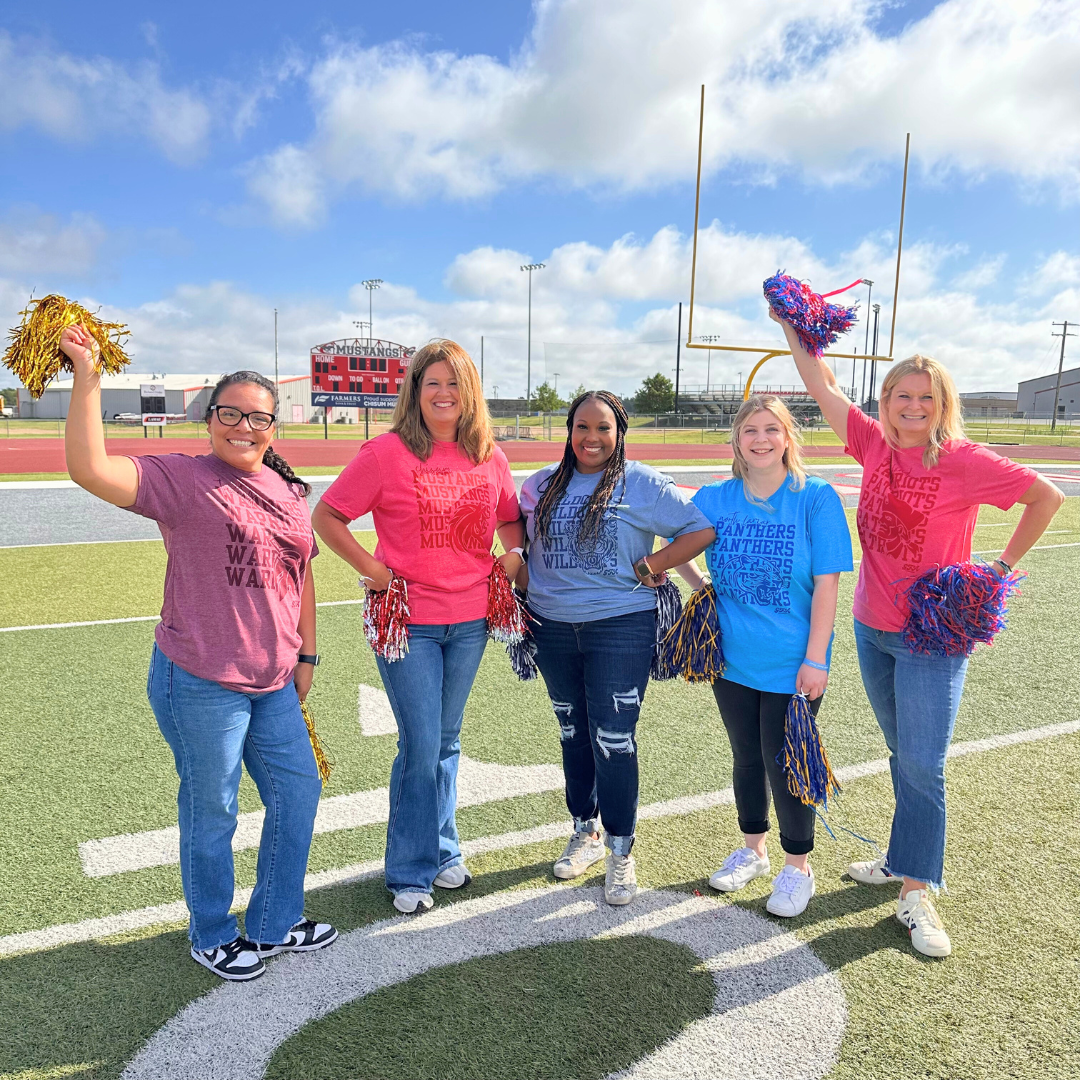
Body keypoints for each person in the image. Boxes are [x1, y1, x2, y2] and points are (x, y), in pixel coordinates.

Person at [771, 307, 1065, 955]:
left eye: (925, 398)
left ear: (942, 406)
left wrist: (998, 569)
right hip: (871, 627)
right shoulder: (872, 442)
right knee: (902, 752)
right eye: (902, 396)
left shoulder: (963, 460)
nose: (912, 406)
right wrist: (794, 331)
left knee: (924, 764)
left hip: (933, 635)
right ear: (887, 401)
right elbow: (821, 386)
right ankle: (901, 859)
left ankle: (916, 891)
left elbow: (1048, 496)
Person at [61, 324, 337, 982]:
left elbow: (301, 576)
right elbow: (89, 469)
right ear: (210, 419)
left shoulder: (292, 493)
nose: (243, 427)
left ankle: (274, 920)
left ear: (275, 426)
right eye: (230, 414)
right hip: (201, 681)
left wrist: (306, 657)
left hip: (272, 683)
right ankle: (212, 931)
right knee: (212, 807)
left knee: (297, 794)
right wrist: (89, 377)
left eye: (258, 417)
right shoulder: (183, 480)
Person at [311, 340, 523, 915]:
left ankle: (444, 847)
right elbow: (327, 515)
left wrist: (512, 557)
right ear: (414, 391)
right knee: (421, 740)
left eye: (454, 384)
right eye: (432, 383)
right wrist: (372, 569)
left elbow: (510, 520)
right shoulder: (386, 453)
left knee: (446, 740)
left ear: (469, 392)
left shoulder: (490, 456)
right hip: (408, 623)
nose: (444, 394)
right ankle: (409, 869)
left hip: (473, 619)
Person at [517, 391, 714, 905]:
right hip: (551, 626)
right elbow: (516, 537)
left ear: (619, 432)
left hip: (621, 625)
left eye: (603, 428)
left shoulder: (642, 482)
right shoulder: (538, 485)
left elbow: (699, 529)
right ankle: (585, 829)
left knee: (614, 737)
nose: (591, 438)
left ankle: (621, 849)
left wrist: (654, 566)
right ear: (569, 429)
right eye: (582, 426)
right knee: (572, 733)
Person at [673, 395, 852, 918]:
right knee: (746, 754)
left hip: (793, 660)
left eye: (771, 429)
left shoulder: (815, 497)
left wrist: (816, 658)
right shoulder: (715, 497)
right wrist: (701, 586)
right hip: (731, 656)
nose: (760, 439)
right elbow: (674, 541)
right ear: (736, 441)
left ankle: (798, 868)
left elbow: (827, 584)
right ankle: (753, 849)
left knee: (787, 761)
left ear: (788, 437)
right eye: (749, 430)